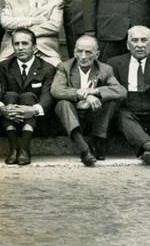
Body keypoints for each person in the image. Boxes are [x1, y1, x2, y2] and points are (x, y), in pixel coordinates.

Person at [51, 34, 126, 166]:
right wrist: (84, 95)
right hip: (71, 119)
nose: (83, 56)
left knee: (112, 102)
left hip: (94, 117)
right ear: (74, 52)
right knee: (63, 103)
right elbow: (56, 90)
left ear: (97, 55)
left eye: (88, 52)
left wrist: (95, 91)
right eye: (79, 51)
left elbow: (121, 91)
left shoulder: (105, 69)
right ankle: (84, 150)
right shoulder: (64, 67)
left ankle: (97, 143)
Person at [108, 26, 150, 167]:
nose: (140, 45)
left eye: (144, 40)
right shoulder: (114, 63)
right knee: (119, 113)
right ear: (128, 45)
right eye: (135, 40)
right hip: (129, 112)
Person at [0, 27, 56, 165]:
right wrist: (1, 108)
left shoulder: (47, 68)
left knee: (28, 96)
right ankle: (13, 147)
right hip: (8, 120)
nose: (20, 48)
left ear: (34, 47)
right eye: (16, 44)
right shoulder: (5, 66)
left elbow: (47, 97)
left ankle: (24, 147)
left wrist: (33, 110)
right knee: (9, 95)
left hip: (36, 123)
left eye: (25, 44)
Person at [0, 0, 64, 66]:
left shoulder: (55, 1)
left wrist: (22, 33)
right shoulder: (11, 0)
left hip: (44, 50)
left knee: (58, 70)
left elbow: (54, 25)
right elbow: (6, 22)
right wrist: (31, 21)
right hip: (14, 50)